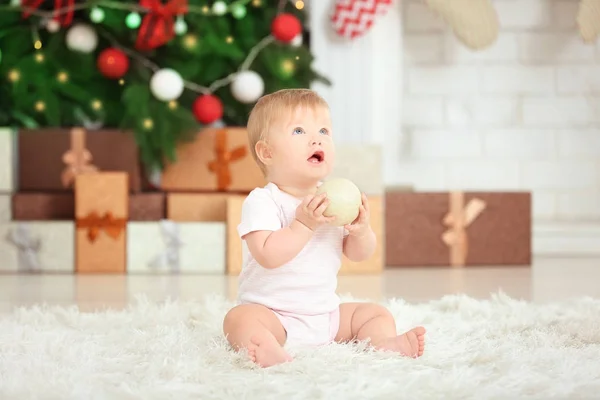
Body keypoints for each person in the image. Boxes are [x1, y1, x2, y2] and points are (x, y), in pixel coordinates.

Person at [222, 88, 426, 368]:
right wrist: (303, 224)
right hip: (273, 316)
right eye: (298, 131)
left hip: (325, 316)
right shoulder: (263, 200)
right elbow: (268, 255)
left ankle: (385, 343)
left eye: (324, 131)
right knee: (238, 319)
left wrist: (361, 231)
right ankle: (268, 348)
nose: (316, 138)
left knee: (375, 313)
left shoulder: (332, 197)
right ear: (267, 152)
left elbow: (359, 254)